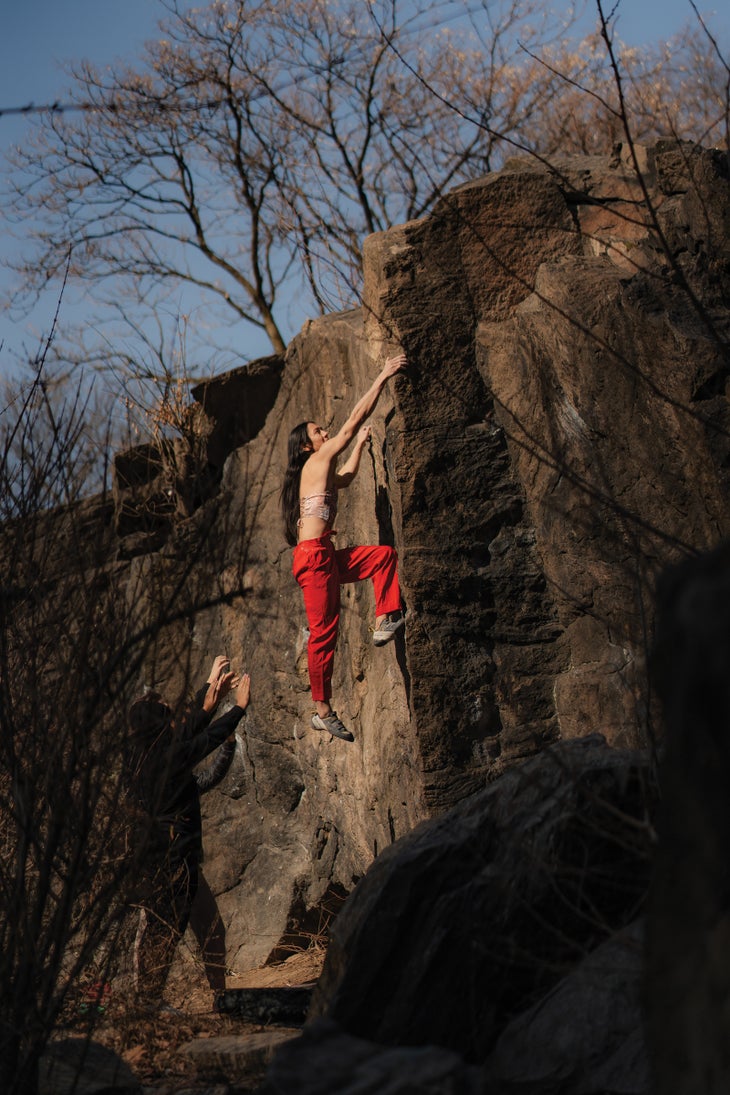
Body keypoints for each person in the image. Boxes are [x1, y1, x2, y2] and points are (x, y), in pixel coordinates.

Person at [280, 353, 407, 742]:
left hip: (324, 557)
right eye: (319, 432)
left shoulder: (324, 471)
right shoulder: (314, 462)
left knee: (383, 557)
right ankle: (321, 709)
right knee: (324, 634)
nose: (325, 433)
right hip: (314, 559)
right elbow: (352, 420)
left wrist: (360, 447)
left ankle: (386, 617)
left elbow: (347, 477)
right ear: (306, 446)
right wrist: (382, 376)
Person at [123, 656, 251, 1004]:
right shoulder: (163, 760)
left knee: (207, 928)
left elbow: (186, 728)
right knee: (162, 934)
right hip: (170, 863)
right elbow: (199, 740)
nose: (172, 715)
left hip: (178, 861)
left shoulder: (144, 753)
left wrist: (208, 693)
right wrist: (237, 710)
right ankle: (146, 1004)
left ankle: (219, 998)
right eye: (165, 711)